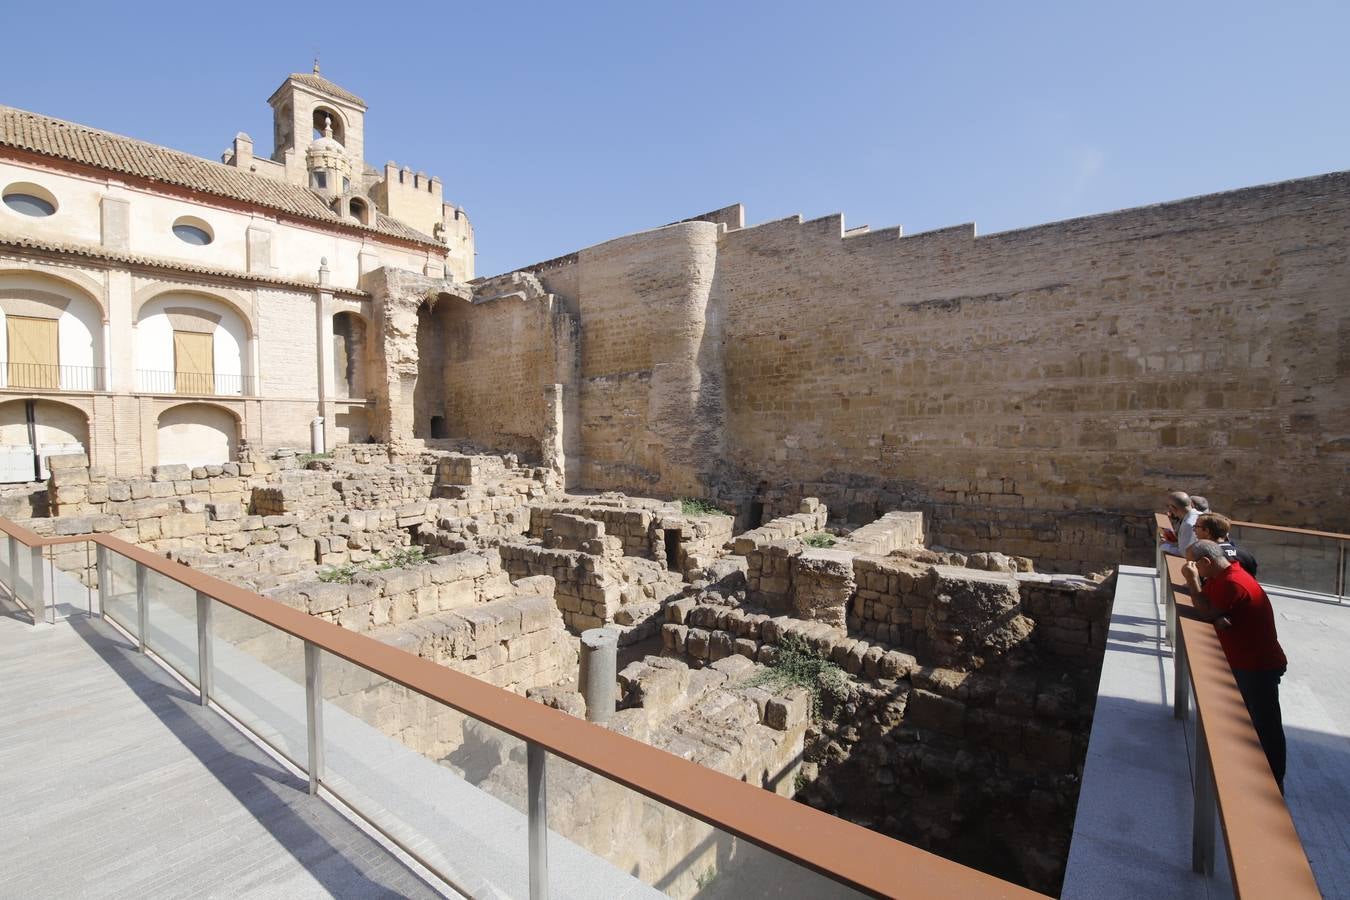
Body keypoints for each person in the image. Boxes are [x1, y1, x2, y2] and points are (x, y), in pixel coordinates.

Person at [1182, 540, 1288, 791]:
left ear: (1206, 562)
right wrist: (1217, 615)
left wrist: (1194, 582)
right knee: (1251, 721)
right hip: (1246, 661)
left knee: (1265, 725)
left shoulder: (1232, 582)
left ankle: (1274, 783)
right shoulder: (1227, 574)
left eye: (1193, 564)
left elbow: (1206, 611)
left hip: (1257, 665)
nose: (1190, 568)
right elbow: (1213, 612)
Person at [1194, 512, 1259, 576]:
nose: (1194, 530)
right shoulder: (1246, 554)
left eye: (1196, 526)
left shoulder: (1204, 557)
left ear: (1207, 531)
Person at [1160, 491, 1199, 555]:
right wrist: (1171, 544)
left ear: (1173, 508)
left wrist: (1164, 547)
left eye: (1169, 507)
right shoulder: (1199, 514)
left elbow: (1184, 553)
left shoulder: (1188, 524)